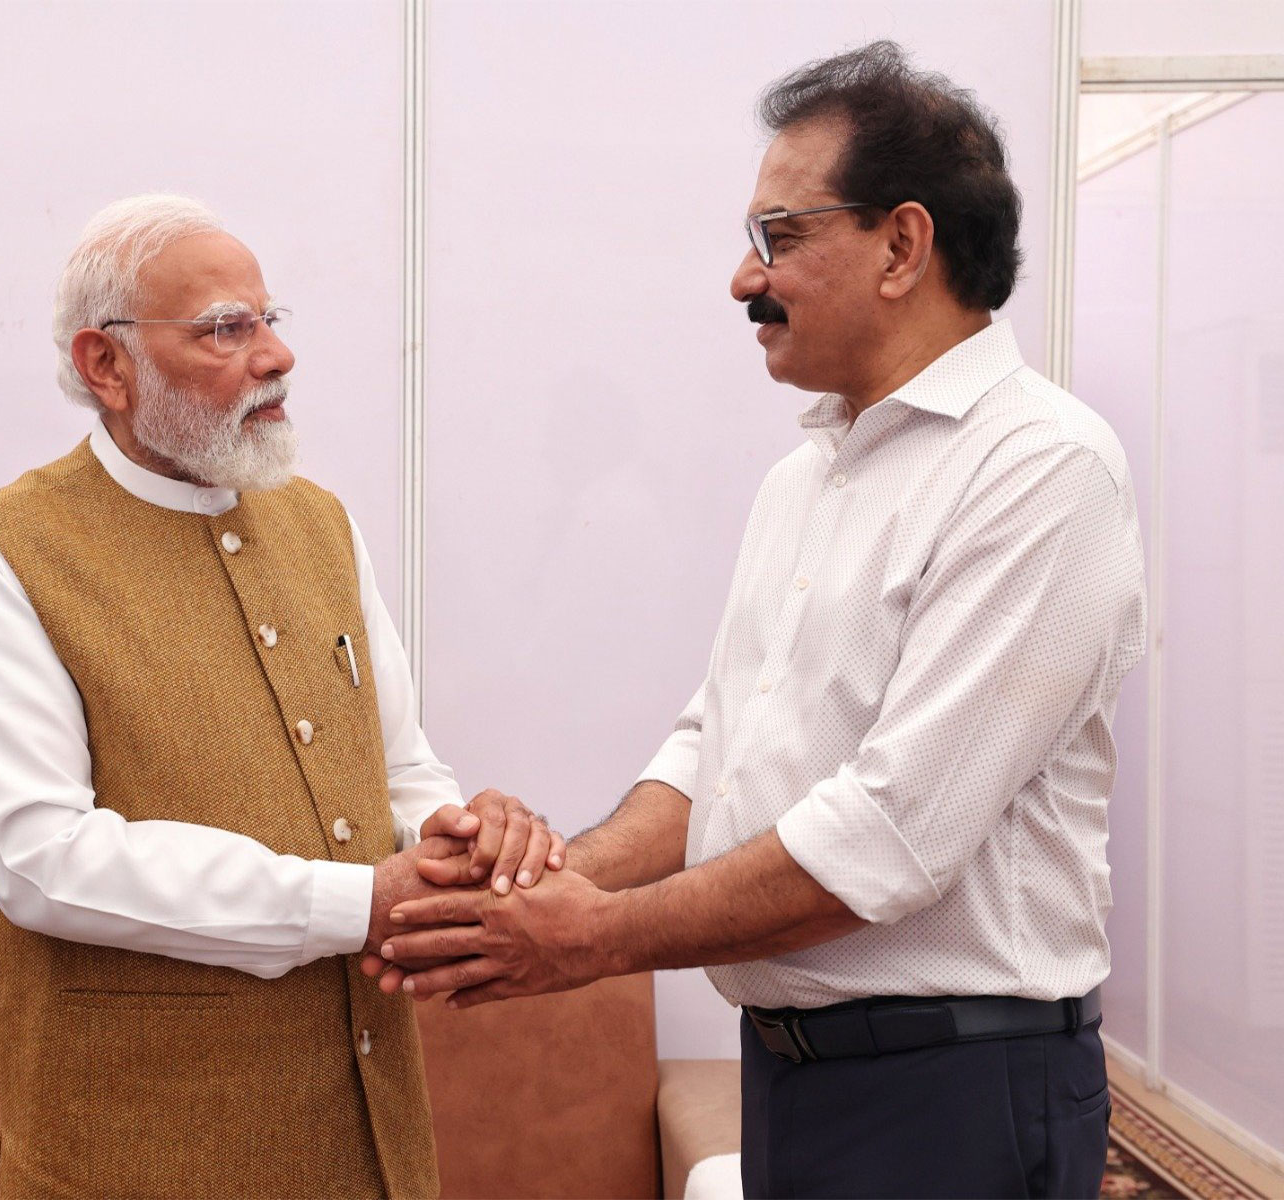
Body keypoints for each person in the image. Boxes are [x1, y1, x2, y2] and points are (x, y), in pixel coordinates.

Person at [370, 42, 1147, 1199]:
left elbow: (890, 836)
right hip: (795, 1080)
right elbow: (713, 751)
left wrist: (589, 938)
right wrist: (552, 881)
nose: (745, 279)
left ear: (902, 246)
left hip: (951, 1101)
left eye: (779, 237)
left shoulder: (1039, 469)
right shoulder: (807, 477)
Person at [0, 194, 562, 1199]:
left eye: (272, 320)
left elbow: (396, 763)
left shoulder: (318, 522)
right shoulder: (8, 550)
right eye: (229, 328)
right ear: (106, 366)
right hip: (136, 1155)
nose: (276, 356)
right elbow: (41, 857)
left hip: (367, 1139)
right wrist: (352, 903)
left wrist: (456, 832)